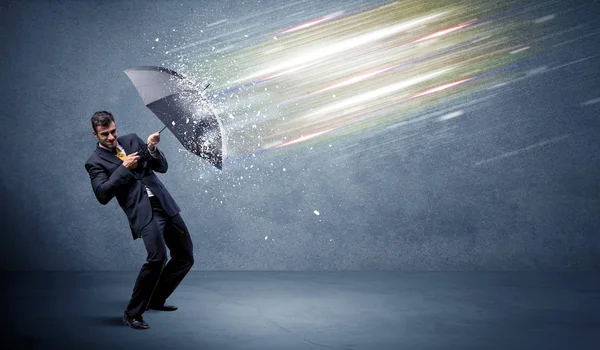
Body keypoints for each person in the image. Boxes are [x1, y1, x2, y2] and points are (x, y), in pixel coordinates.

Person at [84, 111, 194, 330]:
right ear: (95, 135)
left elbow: (161, 168)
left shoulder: (132, 140)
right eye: (104, 134)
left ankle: (156, 299)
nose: (111, 137)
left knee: (185, 256)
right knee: (157, 257)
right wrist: (124, 168)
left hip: (164, 204)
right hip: (142, 212)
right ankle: (132, 314)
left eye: (113, 131)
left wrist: (152, 148)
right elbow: (103, 194)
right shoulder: (94, 162)